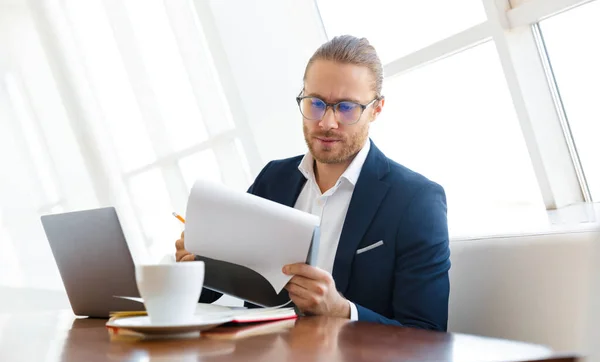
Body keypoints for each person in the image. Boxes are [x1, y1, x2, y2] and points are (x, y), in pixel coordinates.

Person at [175, 35, 450, 331]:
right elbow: (214, 289)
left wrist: (341, 310)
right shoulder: (273, 179)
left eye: (346, 108)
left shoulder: (416, 201)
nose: (327, 123)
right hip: (259, 361)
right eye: (316, 103)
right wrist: (196, 264)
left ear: (376, 109)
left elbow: (428, 333)